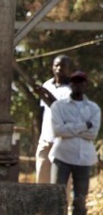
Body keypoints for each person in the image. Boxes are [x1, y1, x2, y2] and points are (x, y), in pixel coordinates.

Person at [49, 70, 101, 215]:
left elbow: (92, 133)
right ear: (70, 84)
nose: (78, 85)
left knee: (80, 199)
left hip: (84, 159)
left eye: (81, 82)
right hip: (62, 155)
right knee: (57, 197)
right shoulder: (59, 106)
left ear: (86, 85)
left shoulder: (93, 109)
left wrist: (70, 127)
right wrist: (82, 126)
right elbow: (58, 131)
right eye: (75, 82)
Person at [35, 55, 72, 184]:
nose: (59, 68)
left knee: (60, 182)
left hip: (62, 142)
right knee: (42, 179)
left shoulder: (72, 90)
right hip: (46, 139)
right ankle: (40, 205)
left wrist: (46, 94)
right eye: (56, 65)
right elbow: (43, 112)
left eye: (62, 66)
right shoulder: (47, 85)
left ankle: (63, 205)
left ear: (69, 69)